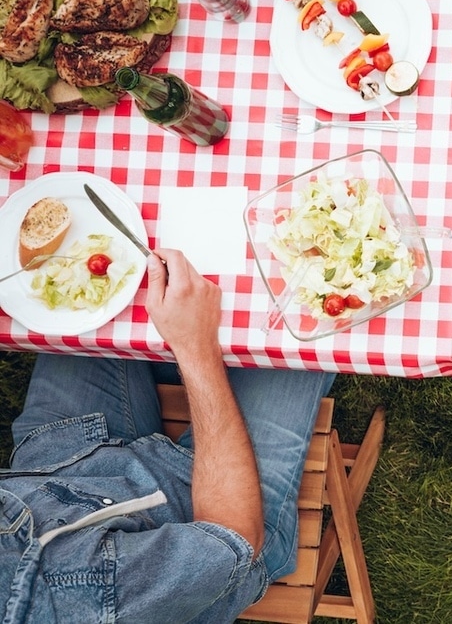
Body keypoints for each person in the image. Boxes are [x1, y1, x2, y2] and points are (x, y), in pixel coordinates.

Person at [0, 249, 333, 622]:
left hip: (62, 462)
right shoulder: (68, 605)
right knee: (311, 308)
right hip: (220, 521)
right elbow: (233, 535)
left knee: (97, 276)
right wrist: (194, 346)